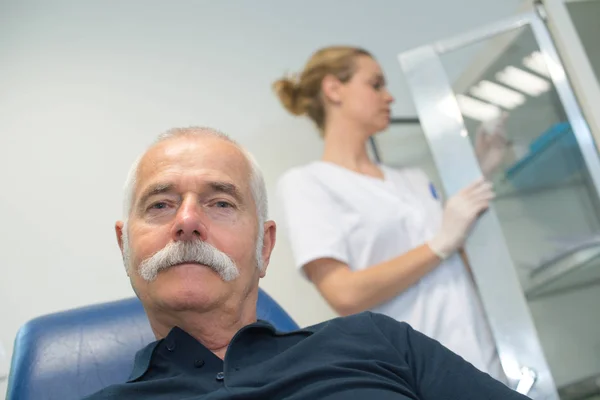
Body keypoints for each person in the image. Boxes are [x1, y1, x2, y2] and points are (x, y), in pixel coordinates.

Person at [83, 126, 527, 399]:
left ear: (265, 247)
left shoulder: (378, 343)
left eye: (220, 203)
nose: (187, 221)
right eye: (160, 205)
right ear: (125, 245)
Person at [273, 46, 510, 382]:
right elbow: (344, 295)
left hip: (487, 358)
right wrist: (439, 245)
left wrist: (479, 175)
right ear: (333, 89)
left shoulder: (413, 179)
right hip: (419, 374)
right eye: (376, 85)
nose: (389, 97)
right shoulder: (308, 183)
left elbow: (457, 261)